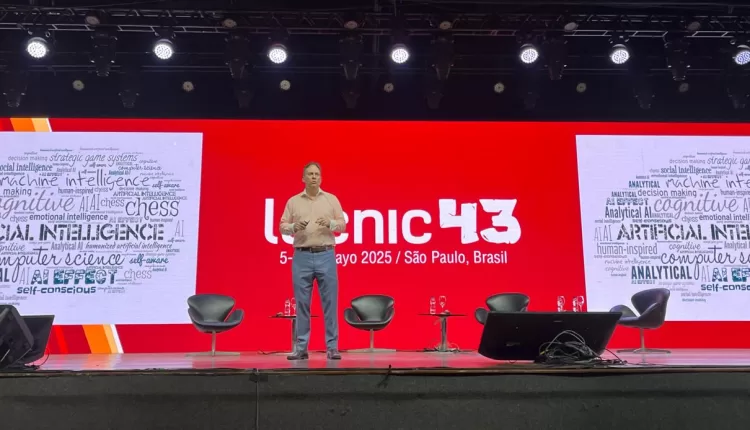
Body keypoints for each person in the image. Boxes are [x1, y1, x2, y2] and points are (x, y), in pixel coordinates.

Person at [279, 162, 346, 360]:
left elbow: (342, 225)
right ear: (303, 178)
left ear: (321, 178)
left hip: (326, 254)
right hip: (302, 256)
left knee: (330, 303)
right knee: (302, 304)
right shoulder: (293, 201)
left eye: (317, 174)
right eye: (310, 174)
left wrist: (331, 223)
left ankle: (332, 347)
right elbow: (282, 226)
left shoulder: (331, 199)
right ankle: (301, 348)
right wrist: (293, 227)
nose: (314, 177)